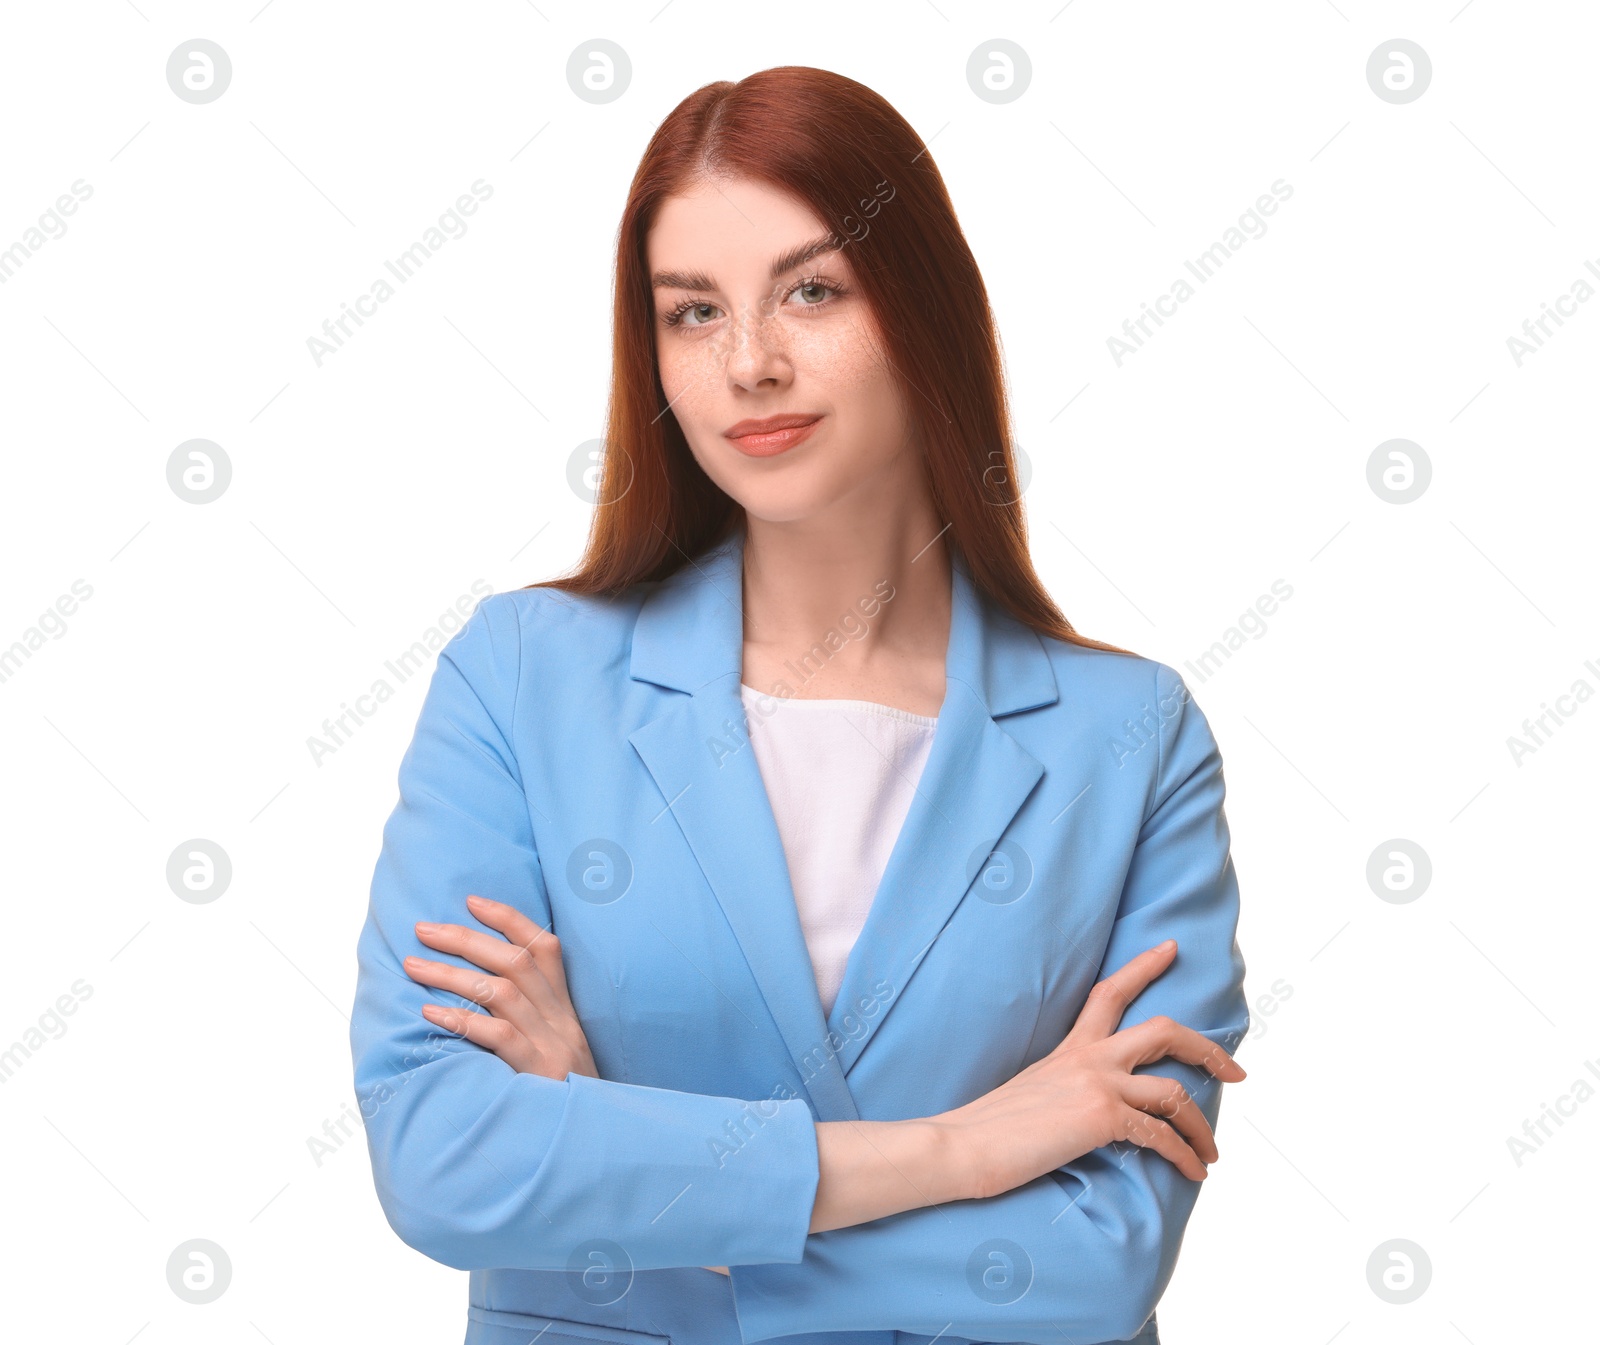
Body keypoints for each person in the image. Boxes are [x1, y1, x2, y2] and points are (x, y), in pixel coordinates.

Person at [350, 65, 1248, 1345]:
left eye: (811, 290)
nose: (751, 363)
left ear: (922, 310)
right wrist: (965, 1147)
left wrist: (622, 1164)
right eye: (692, 312)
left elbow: (1099, 1262)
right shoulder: (522, 677)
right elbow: (441, 1154)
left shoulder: (1132, 735)